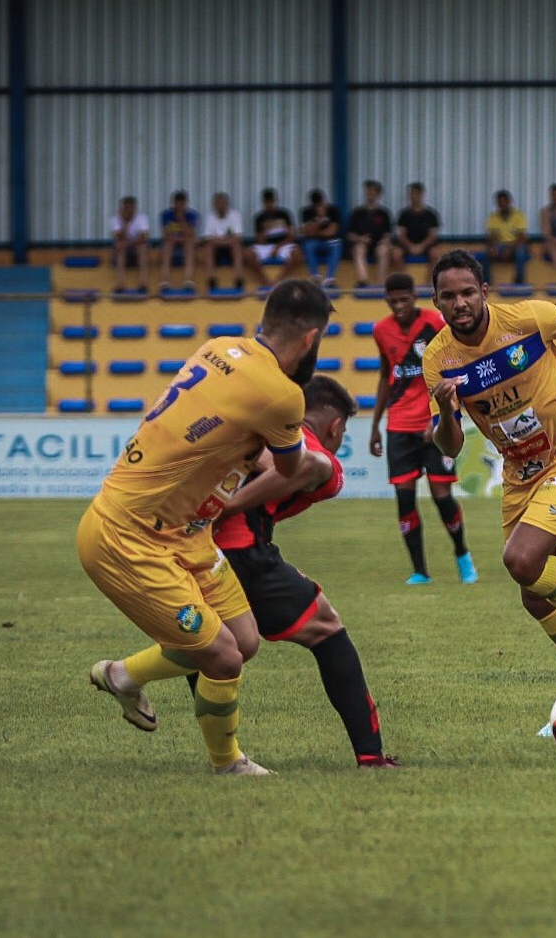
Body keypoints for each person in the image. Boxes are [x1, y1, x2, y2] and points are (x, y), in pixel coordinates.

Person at [79, 278, 332, 775]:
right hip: (127, 535)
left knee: (244, 642)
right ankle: (228, 763)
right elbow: (287, 469)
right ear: (311, 339)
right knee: (223, 658)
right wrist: (321, 465)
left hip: (185, 531)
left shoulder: (218, 347)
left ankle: (122, 676)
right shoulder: (281, 395)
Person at [422, 250, 556, 715]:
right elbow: (449, 446)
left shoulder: (527, 319)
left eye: (467, 292)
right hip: (521, 471)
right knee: (534, 593)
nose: (459, 303)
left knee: (522, 559)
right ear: (437, 302)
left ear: (484, 292)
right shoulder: (438, 360)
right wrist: (446, 411)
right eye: (448, 296)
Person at [211, 375, 399, 768]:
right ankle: (370, 754)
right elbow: (308, 466)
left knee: (213, 642)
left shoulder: (261, 427)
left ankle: (129, 676)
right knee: (326, 629)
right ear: (334, 426)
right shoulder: (322, 461)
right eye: (342, 432)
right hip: (243, 551)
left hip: (196, 546)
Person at [369, 271, 478, 585]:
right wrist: (376, 424)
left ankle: (462, 555)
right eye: (393, 302)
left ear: (414, 297)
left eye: (404, 300)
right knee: (404, 499)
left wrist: (444, 418)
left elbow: (454, 367)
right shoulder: (381, 330)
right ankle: (419, 570)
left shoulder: (435, 323)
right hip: (399, 425)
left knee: (442, 496)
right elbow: (386, 375)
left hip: (433, 424)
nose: (399, 306)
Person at [243, 188, 300, 288]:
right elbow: (258, 241)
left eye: (271, 202)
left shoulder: (284, 214)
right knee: (247, 253)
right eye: (266, 202)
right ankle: (266, 281)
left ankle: (280, 279)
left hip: (283, 245)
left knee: (297, 253)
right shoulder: (259, 217)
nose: (269, 205)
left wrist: (278, 247)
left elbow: (292, 236)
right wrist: (265, 231)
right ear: (263, 203)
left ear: (275, 201)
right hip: (266, 246)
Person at [347, 180, 394, 287]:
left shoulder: (384, 213)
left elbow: (388, 234)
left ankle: (381, 283)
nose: (370, 194)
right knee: (359, 249)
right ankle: (363, 281)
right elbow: (350, 235)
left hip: (379, 244)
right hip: (362, 243)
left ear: (378, 194)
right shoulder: (357, 213)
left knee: (383, 250)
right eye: (368, 192)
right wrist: (360, 239)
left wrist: (385, 241)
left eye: (373, 192)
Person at [201, 191, 245, 292]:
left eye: (223, 203)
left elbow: (238, 237)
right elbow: (207, 238)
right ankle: (211, 279)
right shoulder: (210, 217)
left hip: (230, 248)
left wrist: (219, 240)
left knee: (236, 246)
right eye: (218, 203)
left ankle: (238, 279)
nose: (221, 206)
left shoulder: (235, 215)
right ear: (214, 205)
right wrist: (225, 240)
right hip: (216, 249)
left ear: (227, 204)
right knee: (208, 247)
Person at [391, 182, 442, 269]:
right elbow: (402, 235)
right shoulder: (403, 214)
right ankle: (405, 280)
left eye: (415, 193)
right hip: (407, 245)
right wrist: (411, 247)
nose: (412, 196)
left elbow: (432, 236)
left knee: (435, 253)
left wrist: (421, 246)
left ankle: (430, 281)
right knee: (396, 254)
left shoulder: (431, 214)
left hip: (426, 245)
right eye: (411, 194)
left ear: (421, 194)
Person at [299, 188, 344, 286]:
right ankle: (315, 276)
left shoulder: (333, 210)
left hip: (331, 241)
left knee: (337, 244)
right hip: (314, 242)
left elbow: (332, 232)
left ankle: (330, 278)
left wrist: (314, 231)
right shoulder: (307, 212)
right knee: (308, 246)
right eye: (316, 205)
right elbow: (306, 232)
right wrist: (320, 220)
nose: (319, 207)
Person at [484, 189, 529, 285]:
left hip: (515, 245)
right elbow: (491, 237)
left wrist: (510, 250)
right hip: (500, 246)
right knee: (485, 253)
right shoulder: (493, 217)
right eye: (500, 203)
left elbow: (522, 237)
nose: (502, 205)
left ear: (509, 202)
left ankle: (519, 281)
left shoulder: (519, 215)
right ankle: (487, 282)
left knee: (521, 252)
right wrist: (492, 248)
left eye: (504, 202)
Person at [158, 190, 199, 290]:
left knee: (189, 245)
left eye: (182, 204)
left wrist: (181, 218)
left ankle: (188, 280)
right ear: (173, 203)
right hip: (172, 241)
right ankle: (165, 280)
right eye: (177, 204)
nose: (179, 206)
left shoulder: (192, 215)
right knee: (168, 245)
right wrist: (178, 238)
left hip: (185, 242)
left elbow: (191, 235)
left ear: (185, 204)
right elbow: (165, 234)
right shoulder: (166, 215)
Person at [109, 196, 150, 294]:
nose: (129, 210)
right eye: (126, 208)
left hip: (136, 247)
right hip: (124, 248)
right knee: (120, 247)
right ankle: (121, 283)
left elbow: (143, 238)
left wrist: (127, 243)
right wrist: (125, 223)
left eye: (131, 208)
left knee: (142, 247)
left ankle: (143, 283)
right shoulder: (115, 219)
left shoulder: (142, 218)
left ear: (135, 208)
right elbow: (119, 237)